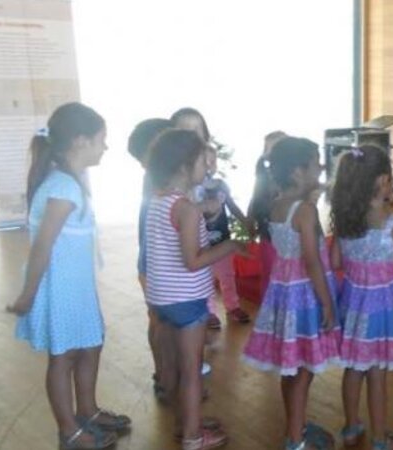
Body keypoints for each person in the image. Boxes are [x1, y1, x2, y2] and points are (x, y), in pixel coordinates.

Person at [7, 102, 130, 449]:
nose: (105, 147)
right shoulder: (63, 187)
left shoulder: (70, 181)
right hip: (59, 288)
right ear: (80, 141)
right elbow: (42, 247)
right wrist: (28, 294)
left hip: (77, 287)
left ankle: (87, 410)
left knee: (91, 343)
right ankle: (69, 430)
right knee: (64, 356)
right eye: (101, 140)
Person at [242, 137, 340, 450]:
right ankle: (296, 440)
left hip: (285, 293)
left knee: (292, 367)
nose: (320, 167)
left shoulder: (277, 204)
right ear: (297, 172)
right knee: (304, 370)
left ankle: (295, 428)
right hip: (306, 297)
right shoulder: (305, 211)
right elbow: (312, 261)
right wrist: (327, 303)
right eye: (315, 163)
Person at [145, 128, 240, 450]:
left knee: (173, 366)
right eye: (203, 160)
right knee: (192, 371)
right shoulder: (185, 208)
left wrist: (202, 210)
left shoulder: (158, 201)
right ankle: (193, 437)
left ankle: (185, 422)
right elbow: (193, 261)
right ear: (185, 167)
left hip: (161, 300)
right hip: (187, 301)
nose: (208, 165)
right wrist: (229, 246)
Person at [330, 145, 393, 450]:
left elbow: (335, 261)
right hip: (381, 312)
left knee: (353, 369)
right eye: (389, 179)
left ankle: (351, 428)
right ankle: (379, 438)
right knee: (377, 374)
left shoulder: (346, 221)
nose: (392, 183)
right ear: (380, 181)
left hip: (351, 306)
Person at [171, 107, 251, 327]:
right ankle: (209, 312)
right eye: (204, 161)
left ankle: (232, 306)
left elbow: (231, 205)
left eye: (212, 161)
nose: (208, 165)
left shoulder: (219, 184)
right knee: (204, 277)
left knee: (227, 275)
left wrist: (245, 222)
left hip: (221, 240)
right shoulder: (184, 184)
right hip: (198, 244)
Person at [127, 117, 173, 400]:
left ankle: (166, 375)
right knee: (161, 321)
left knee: (159, 319)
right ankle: (167, 377)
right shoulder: (159, 182)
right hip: (157, 264)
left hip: (153, 262)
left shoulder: (157, 180)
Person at [247, 130, 288, 297]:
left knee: (286, 274)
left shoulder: (292, 176)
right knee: (270, 273)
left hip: (287, 236)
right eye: (270, 150)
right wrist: (250, 220)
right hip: (268, 235)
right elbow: (255, 197)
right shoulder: (263, 175)